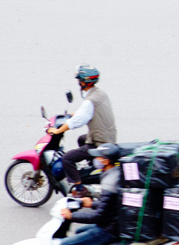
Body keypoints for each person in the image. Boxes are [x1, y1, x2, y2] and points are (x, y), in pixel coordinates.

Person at [47, 65, 117, 197]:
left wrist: (58, 131)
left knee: (67, 159)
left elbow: (77, 121)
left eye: (80, 80)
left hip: (100, 142)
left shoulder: (90, 100)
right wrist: (71, 115)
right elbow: (84, 113)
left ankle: (79, 188)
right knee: (81, 139)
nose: (79, 83)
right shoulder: (99, 93)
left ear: (85, 81)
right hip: (108, 135)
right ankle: (93, 169)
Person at [59, 143, 122, 245]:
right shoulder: (114, 172)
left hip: (110, 229)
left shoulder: (110, 181)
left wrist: (71, 216)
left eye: (98, 157)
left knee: (65, 244)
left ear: (106, 161)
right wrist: (92, 204)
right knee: (79, 232)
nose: (95, 159)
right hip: (113, 221)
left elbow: (99, 216)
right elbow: (110, 204)